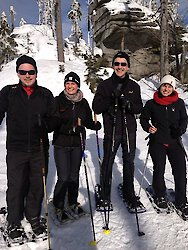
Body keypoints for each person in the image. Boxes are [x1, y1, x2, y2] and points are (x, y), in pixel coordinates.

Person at [0, 55, 57, 241]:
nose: (27, 75)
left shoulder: (45, 94)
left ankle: (33, 216)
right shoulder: (9, 92)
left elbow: (54, 119)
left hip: (38, 148)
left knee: (36, 185)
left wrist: (46, 125)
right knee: (16, 185)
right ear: (17, 73)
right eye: (23, 71)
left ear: (36, 73)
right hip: (16, 148)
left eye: (30, 72)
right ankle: (14, 221)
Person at [92, 51, 144, 211]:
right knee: (108, 160)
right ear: (113, 65)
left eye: (123, 64)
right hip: (112, 129)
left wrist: (128, 104)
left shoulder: (134, 86)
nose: (120, 67)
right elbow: (96, 107)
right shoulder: (105, 85)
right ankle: (105, 194)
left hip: (129, 130)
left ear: (128, 67)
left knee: (129, 162)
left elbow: (139, 108)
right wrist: (110, 100)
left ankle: (129, 193)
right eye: (117, 64)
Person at [52, 71, 101, 222]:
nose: (70, 86)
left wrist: (93, 125)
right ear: (65, 85)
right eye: (68, 83)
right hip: (61, 143)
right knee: (64, 176)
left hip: (77, 144)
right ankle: (58, 205)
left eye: (73, 83)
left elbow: (86, 120)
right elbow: (54, 123)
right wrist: (71, 129)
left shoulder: (83, 102)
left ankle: (72, 202)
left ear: (78, 85)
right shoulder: (58, 101)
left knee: (74, 176)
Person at [140, 75, 188, 215]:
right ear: (159, 86)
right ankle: (160, 194)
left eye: (169, 86)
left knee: (180, 171)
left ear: (173, 88)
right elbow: (144, 119)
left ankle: (181, 201)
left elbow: (184, 119)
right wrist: (148, 127)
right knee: (159, 169)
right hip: (158, 141)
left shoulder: (178, 103)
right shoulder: (151, 103)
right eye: (164, 85)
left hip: (174, 141)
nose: (166, 88)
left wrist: (181, 129)